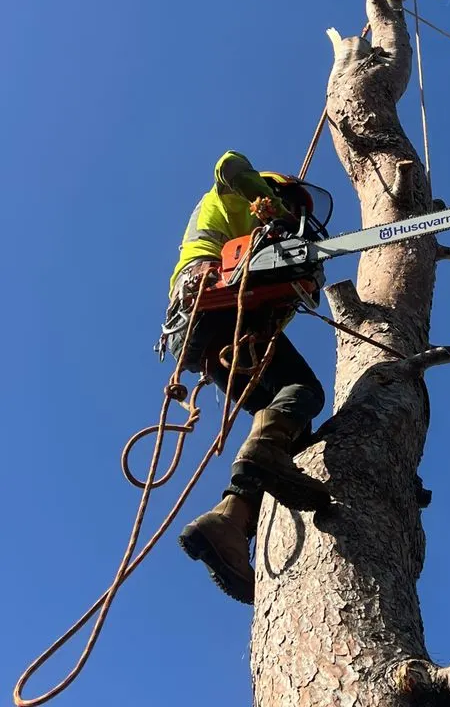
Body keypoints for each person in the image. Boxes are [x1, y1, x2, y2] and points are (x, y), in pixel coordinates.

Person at [162, 151, 328, 604]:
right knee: (305, 391)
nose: (295, 219)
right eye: (293, 207)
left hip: (211, 333)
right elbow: (228, 164)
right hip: (209, 302)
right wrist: (271, 205)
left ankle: (229, 521)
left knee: (288, 425)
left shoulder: (263, 235)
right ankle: (261, 455)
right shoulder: (241, 191)